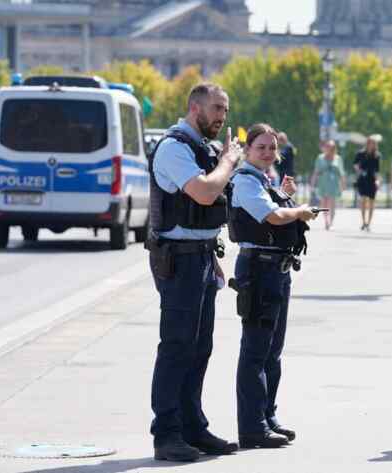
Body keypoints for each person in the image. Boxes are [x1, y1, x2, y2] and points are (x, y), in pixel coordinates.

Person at [146, 83, 242, 462]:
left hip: (200, 257)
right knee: (176, 346)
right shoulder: (174, 148)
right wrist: (228, 162)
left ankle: (192, 426)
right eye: (216, 108)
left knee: (199, 347)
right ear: (194, 107)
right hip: (179, 260)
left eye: (225, 110)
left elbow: (210, 208)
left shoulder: (204, 149)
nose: (222, 116)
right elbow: (204, 193)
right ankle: (166, 433)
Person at [228, 123, 318, 448]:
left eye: (272, 148)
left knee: (273, 352)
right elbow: (273, 218)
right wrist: (299, 211)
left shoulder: (264, 181)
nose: (267, 153)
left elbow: (277, 211)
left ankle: (267, 416)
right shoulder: (245, 181)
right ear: (248, 150)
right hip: (259, 269)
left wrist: (287, 197)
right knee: (255, 350)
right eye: (261, 147)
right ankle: (252, 427)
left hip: (277, 270)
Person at [310, 140, 346, 230]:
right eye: (328, 147)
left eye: (332, 148)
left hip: (334, 183)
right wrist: (312, 184)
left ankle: (331, 222)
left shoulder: (338, 158)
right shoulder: (320, 158)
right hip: (323, 183)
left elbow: (341, 173)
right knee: (324, 203)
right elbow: (316, 172)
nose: (330, 149)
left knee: (332, 203)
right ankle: (326, 221)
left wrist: (343, 184)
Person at [354, 134, 382, 231]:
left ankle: (368, 223)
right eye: (369, 143)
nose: (371, 145)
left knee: (371, 202)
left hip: (372, 180)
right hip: (362, 179)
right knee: (363, 200)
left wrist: (378, 181)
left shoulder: (377, 155)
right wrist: (358, 170)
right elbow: (355, 165)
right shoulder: (360, 154)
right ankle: (363, 222)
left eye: (373, 143)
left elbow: (377, 170)